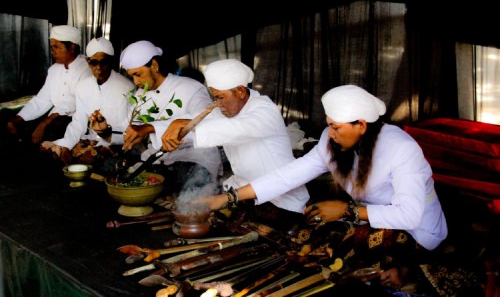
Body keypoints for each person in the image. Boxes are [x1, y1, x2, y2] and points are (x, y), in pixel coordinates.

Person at [192, 84, 448, 289]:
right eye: (329, 125)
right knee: (314, 233)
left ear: (361, 125)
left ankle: (405, 267)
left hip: (413, 229)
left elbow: (409, 214)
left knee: (349, 248)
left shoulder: (401, 148)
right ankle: (381, 264)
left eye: (336, 127)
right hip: (366, 216)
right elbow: (289, 175)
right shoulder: (331, 140)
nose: (331, 134)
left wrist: (347, 211)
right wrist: (228, 199)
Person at [161, 59, 310, 233]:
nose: (217, 103)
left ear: (240, 91)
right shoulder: (224, 109)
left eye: (220, 97)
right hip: (246, 194)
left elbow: (235, 129)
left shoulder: (265, 110)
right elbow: (196, 119)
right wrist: (152, 128)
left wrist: (186, 125)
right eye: (214, 97)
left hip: (281, 201)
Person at [119, 40, 221, 194]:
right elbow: (129, 128)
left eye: (137, 74)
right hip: (158, 160)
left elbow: (207, 120)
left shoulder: (190, 87)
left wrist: (151, 127)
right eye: (132, 76)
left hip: (194, 161)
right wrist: (105, 131)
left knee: (186, 198)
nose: (136, 82)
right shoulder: (139, 96)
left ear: (154, 65)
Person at [40, 37, 135, 170]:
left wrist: (102, 144)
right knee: (49, 150)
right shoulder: (83, 87)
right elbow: (79, 121)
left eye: (104, 62)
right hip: (91, 140)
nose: (99, 68)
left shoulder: (127, 87)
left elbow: (128, 130)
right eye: (94, 62)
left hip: (116, 143)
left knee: (98, 162)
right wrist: (67, 145)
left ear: (112, 61)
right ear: (87, 61)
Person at [6, 25, 92, 148]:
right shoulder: (54, 70)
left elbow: (74, 101)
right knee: (16, 126)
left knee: (46, 133)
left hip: (78, 122)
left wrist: (44, 123)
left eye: (56, 47)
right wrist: (19, 119)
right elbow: (43, 98)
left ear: (72, 47)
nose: (52, 51)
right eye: (51, 47)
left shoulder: (87, 68)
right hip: (54, 119)